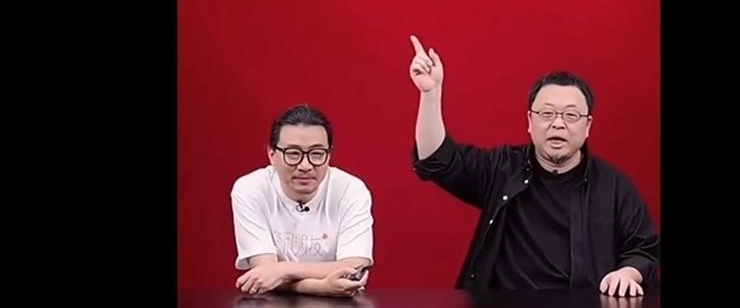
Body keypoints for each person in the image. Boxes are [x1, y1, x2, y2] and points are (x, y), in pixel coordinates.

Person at [407, 35, 659, 296]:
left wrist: (628, 273)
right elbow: (436, 159)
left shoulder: (613, 186)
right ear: (530, 121)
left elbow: (644, 249)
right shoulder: (501, 168)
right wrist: (430, 94)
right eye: (547, 114)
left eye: (571, 115)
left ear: (588, 126)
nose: (558, 124)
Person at [231, 104, 374, 297]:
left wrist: (283, 270)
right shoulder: (250, 189)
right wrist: (321, 287)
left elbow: (353, 266)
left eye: (317, 154)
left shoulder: (351, 190)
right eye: (293, 153)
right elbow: (264, 274)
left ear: (329, 155)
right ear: (272, 155)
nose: (305, 165)